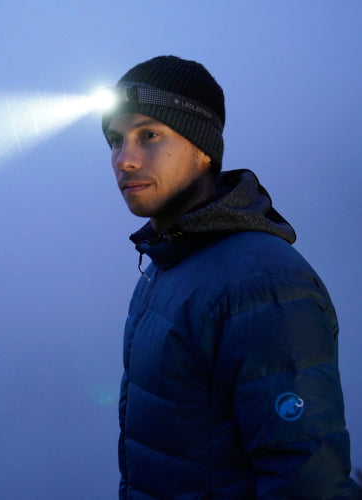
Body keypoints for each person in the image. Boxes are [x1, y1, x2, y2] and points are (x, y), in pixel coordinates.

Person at [101, 55, 357, 499]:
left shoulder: (264, 283)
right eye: (115, 141)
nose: (125, 160)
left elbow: (306, 483)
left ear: (204, 149)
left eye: (149, 135)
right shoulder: (165, 265)